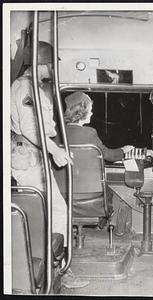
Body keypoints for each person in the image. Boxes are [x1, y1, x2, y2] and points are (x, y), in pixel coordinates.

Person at [11, 41, 89, 288]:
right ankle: (61, 271)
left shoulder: (29, 87)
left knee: (50, 212)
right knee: (56, 212)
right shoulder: (26, 88)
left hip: (33, 157)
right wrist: (54, 150)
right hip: (30, 159)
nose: (52, 70)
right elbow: (30, 127)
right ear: (41, 63)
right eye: (50, 64)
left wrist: (53, 149)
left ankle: (54, 267)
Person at [63, 91, 134, 161]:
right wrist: (123, 150)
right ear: (81, 113)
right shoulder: (89, 132)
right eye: (90, 110)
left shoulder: (59, 132)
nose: (91, 114)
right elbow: (108, 155)